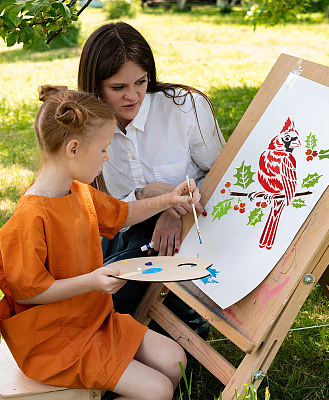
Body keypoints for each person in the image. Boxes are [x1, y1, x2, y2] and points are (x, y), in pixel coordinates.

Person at [0, 85, 202, 400]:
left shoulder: (78, 192)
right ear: (74, 149)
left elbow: (124, 214)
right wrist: (92, 281)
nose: (107, 156)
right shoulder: (29, 220)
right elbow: (33, 293)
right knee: (159, 390)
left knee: (175, 362)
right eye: (104, 149)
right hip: (54, 342)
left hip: (94, 320)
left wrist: (168, 199)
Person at [77, 22, 225, 329]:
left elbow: (224, 171)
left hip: (190, 232)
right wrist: (148, 197)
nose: (133, 96)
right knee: (90, 287)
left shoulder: (184, 107)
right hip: (124, 231)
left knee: (106, 301)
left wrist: (174, 211)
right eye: (117, 88)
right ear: (95, 87)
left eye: (141, 83)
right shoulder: (86, 127)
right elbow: (98, 209)